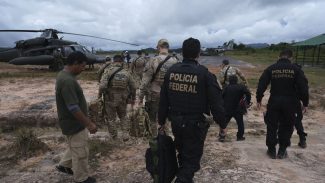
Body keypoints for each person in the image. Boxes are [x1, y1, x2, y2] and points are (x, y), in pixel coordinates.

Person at [158, 37, 226, 183]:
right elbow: (216, 103)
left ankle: (185, 178)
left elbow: (163, 100)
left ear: (182, 53)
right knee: (192, 160)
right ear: (198, 54)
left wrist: (161, 121)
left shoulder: (171, 72)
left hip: (176, 122)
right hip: (195, 125)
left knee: (182, 152)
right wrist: (222, 124)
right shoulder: (205, 74)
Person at [256, 48, 309, 159]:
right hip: (290, 102)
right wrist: (305, 103)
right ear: (291, 58)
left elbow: (261, 84)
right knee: (287, 126)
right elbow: (303, 87)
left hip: (274, 101)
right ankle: (282, 150)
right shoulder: (296, 69)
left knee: (271, 125)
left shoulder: (271, 68)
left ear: (279, 57)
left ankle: (271, 150)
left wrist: (259, 99)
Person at [55, 51, 97, 183]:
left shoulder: (64, 75)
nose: (83, 69)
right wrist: (89, 124)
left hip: (71, 122)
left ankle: (65, 165)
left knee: (74, 145)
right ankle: (82, 178)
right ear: (75, 63)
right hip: (74, 123)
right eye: (82, 66)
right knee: (80, 151)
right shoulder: (67, 81)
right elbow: (73, 107)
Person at [138, 39, 178, 135]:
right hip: (170, 94)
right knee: (167, 118)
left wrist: (140, 97)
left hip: (154, 93)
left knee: (152, 119)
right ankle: (167, 137)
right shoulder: (175, 61)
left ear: (159, 47)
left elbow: (145, 82)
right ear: (168, 48)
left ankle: (155, 139)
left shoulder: (153, 60)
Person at [98, 54, 136, 139]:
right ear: (122, 61)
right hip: (123, 98)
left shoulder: (108, 71)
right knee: (123, 116)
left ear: (113, 61)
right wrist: (133, 98)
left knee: (111, 118)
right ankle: (125, 134)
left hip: (110, 98)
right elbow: (133, 87)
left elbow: (102, 86)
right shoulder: (127, 72)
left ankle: (114, 136)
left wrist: (99, 96)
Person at [220, 75, 251, 142]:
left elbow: (221, 96)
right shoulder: (241, 87)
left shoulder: (226, 87)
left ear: (229, 80)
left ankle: (222, 136)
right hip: (238, 109)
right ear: (237, 80)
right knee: (240, 124)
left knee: (224, 123)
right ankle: (239, 137)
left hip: (227, 109)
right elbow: (248, 93)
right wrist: (247, 102)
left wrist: (222, 105)